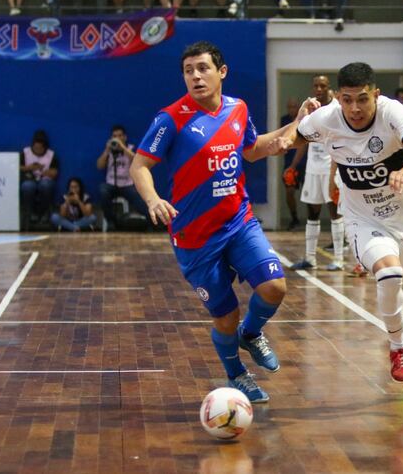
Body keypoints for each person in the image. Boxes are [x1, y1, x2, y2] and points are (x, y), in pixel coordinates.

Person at [130, 41, 306, 403]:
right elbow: (140, 165)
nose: (195, 76)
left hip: (238, 221)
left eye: (203, 68)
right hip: (194, 237)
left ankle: (251, 333)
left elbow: (253, 150)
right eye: (188, 70)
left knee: (274, 287)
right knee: (225, 316)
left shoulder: (238, 108)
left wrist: (298, 124)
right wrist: (153, 199)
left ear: (221, 72)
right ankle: (236, 374)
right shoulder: (171, 118)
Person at [283, 62, 403, 402]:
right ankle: (397, 348)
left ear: (376, 96)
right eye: (347, 99)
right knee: (389, 272)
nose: (354, 108)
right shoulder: (326, 118)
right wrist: (292, 127)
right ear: (338, 97)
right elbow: (292, 137)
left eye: (362, 99)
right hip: (363, 218)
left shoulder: (392, 112)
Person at [288, 75, 345, 271]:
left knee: (335, 213)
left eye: (322, 85)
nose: (319, 89)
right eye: (316, 86)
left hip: (331, 168)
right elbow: (305, 139)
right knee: (312, 213)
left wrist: (335, 172)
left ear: (329, 87)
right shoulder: (310, 108)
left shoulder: (337, 108)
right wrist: (294, 165)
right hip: (313, 168)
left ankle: (338, 259)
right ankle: (310, 258)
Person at [97, 124, 148, 230]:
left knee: (139, 198)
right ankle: (111, 221)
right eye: (114, 136)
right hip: (111, 184)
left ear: (124, 137)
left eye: (120, 136)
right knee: (102, 191)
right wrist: (106, 151)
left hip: (127, 185)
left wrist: (122, 147)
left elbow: (136, 160)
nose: (117, 138)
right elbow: (99, 166)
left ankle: (152, 222)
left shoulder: (130, 148)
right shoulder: (109, 150)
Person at [20, 130, 59, 229]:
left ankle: (43, 213)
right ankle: (30, 213)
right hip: (29, 178)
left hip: (44, 178)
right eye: (35, 148)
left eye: (40, 148)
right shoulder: (25, 152)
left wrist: (44, 171)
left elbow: (55, 172)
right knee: (27, 187)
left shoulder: (51, 155)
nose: (37, 150)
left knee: (45, 185)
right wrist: (30, 168)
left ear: (44, 147)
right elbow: (18, 167)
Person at [280, 97, 305, 230]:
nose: (291, 109)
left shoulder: (305, 120)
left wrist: (294, 164)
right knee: (289, 192)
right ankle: (294, 218)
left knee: (309, 194)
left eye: (294, 106)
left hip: (304, 163)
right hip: (288, 163)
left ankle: (311, 220)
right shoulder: (283, 121)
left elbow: (303, 145)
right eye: (289, 107)